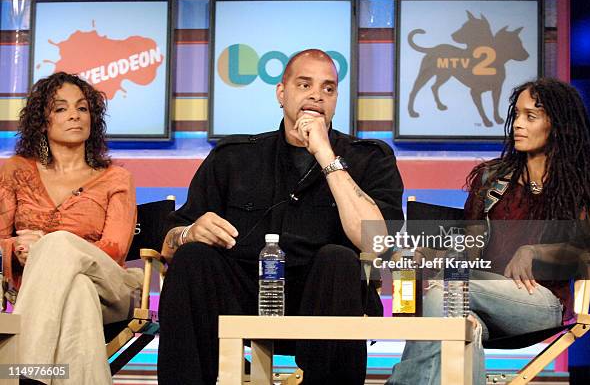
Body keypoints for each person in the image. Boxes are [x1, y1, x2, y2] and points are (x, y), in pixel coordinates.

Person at [157, 49, 404, 384]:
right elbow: (169, 244)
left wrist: (325, 154)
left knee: (338, 259)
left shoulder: (368, 159)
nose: (317, 95)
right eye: (305, 85)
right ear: (281, 93)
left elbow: (377, 242)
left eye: (329, 89)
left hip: (325, 299)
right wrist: (188, 234)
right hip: (241, 293)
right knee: (193, 258)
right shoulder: (234, 157)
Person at [387, 78, 590, 385]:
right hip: (477, 295)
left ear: (557, 125)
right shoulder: (492, 178)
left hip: (539, 303)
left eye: (530, 117)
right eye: (515, 114)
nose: (517, 124)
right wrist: (425, 255)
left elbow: (588, 249)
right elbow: (469, 249)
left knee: (451, 289)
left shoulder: (578, 183)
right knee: (463, 327)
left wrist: (534, 251)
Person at [0, 72, 139, 384]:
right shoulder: (16, 172)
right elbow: (1, 241)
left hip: (109, 286)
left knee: (60, 245)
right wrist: (19, 249)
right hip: (43, 291)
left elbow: (114, 248)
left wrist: (47, 245)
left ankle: (27, 374)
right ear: (42, 120)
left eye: (83, 108)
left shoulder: (116, 178)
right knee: (77, 295)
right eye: (61, 109)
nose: (75, 115)